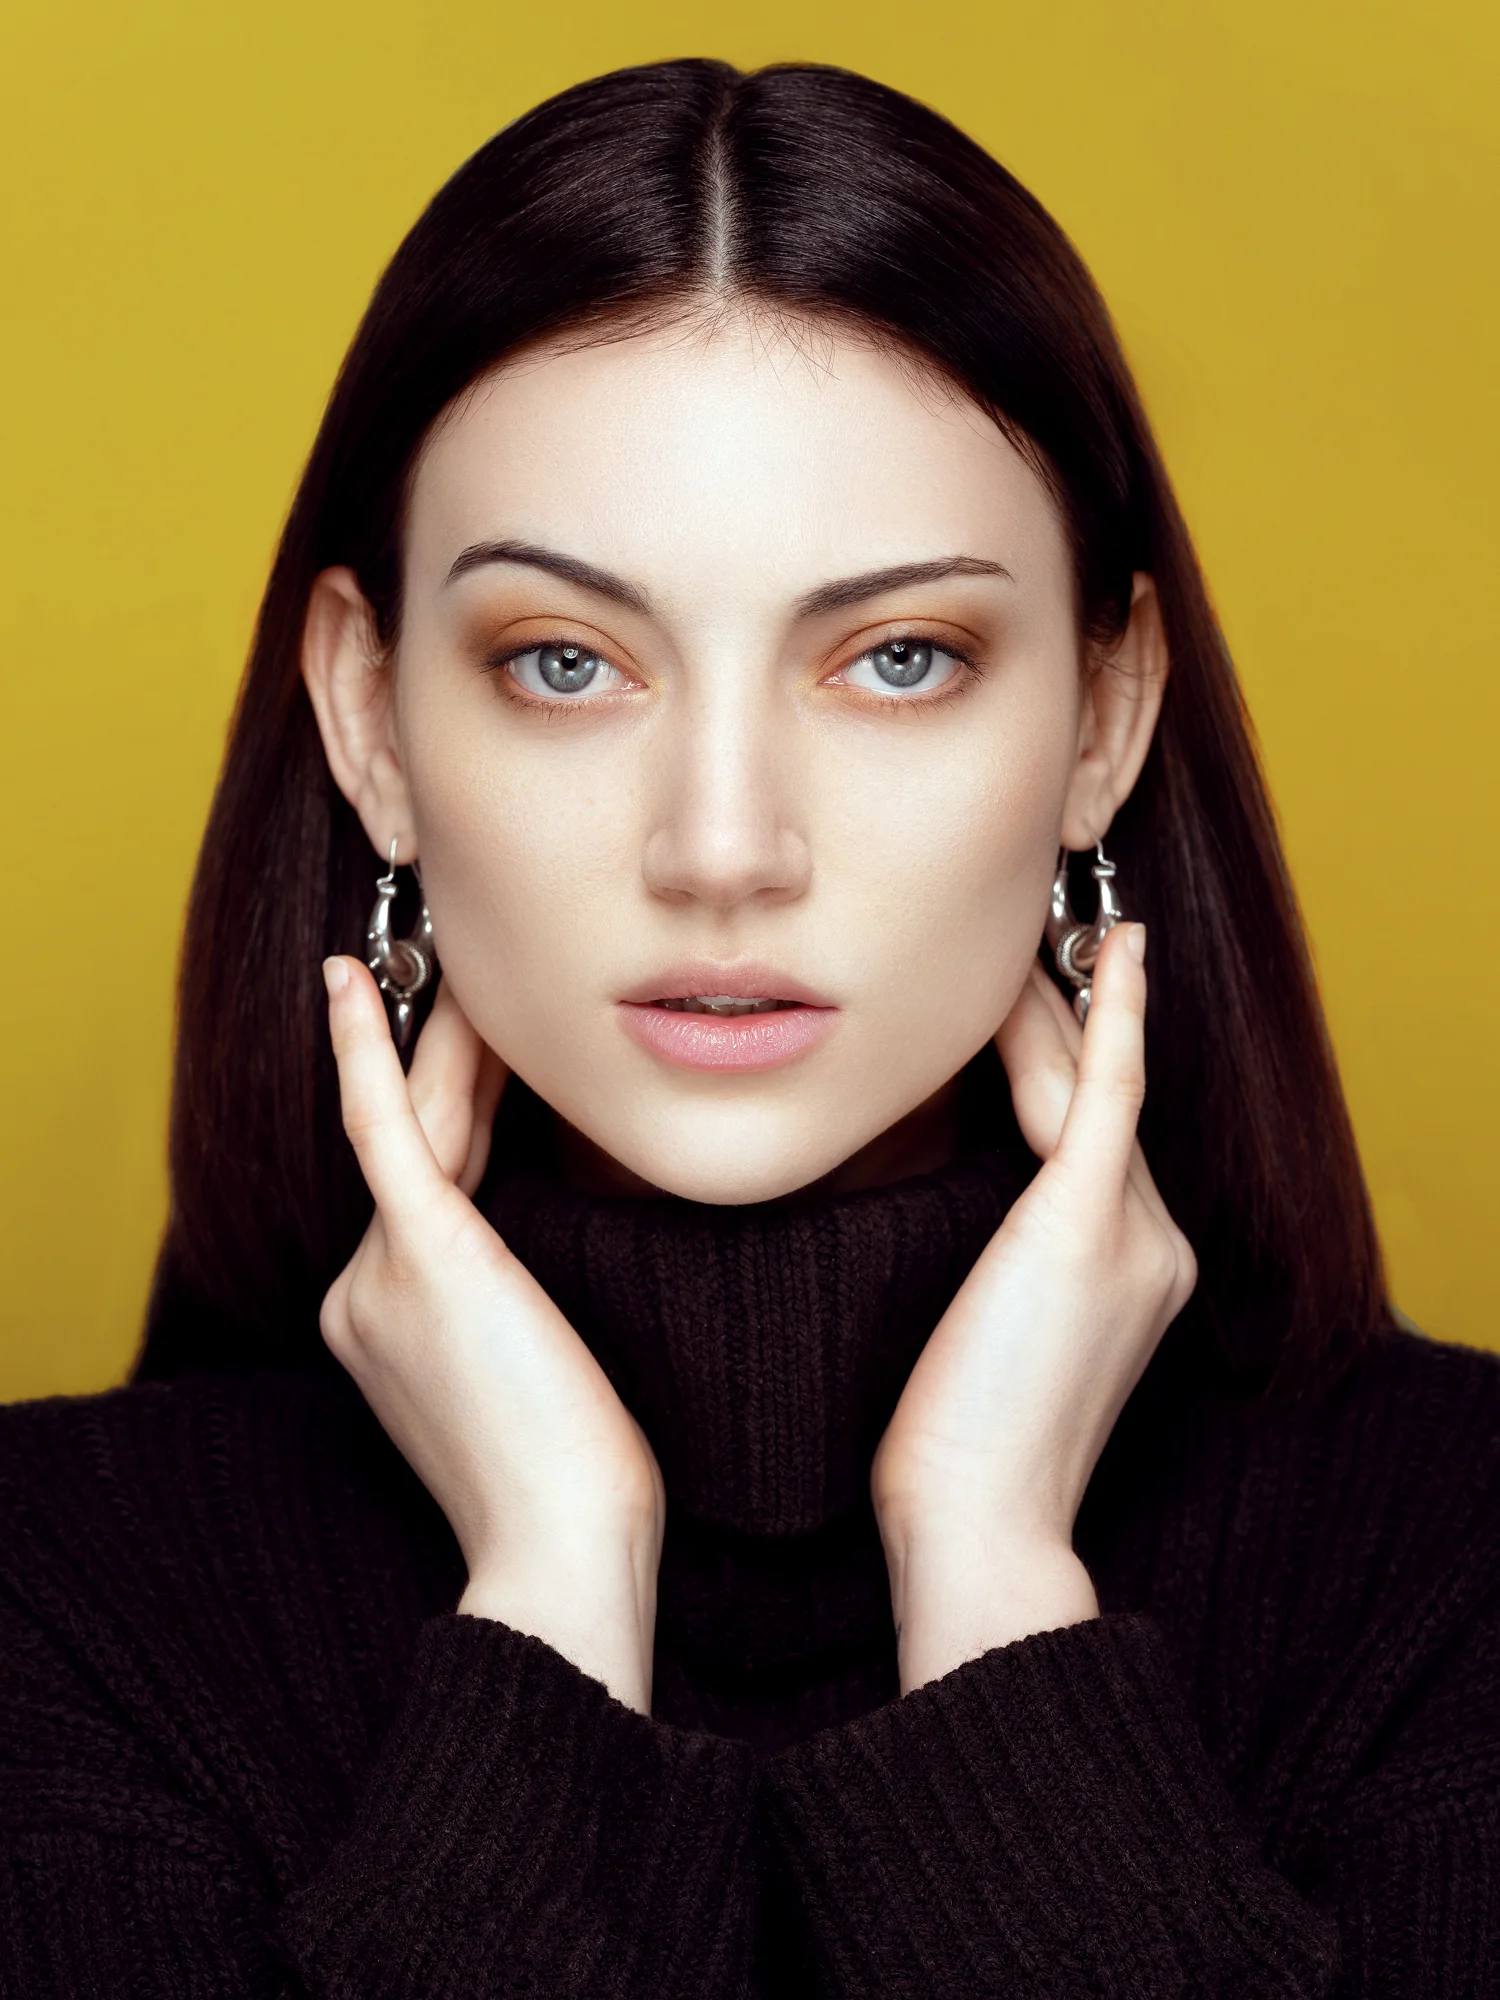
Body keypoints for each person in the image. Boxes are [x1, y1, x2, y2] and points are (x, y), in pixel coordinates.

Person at [1, 55, 1495, 1997]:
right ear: (370, 721)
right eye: (562, 661)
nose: (724, 848)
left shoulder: (1459, 1565)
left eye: (896, 659)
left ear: (1106, 720)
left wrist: (995, 1583)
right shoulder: (55, 1598)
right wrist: (548, 1589)